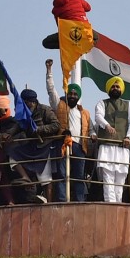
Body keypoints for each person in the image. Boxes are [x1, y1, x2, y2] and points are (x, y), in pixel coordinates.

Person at [45, 59, 92, 202]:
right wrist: (49, 71)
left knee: (79, 176)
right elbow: (51, 89)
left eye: (74, 94)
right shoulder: (59, 104)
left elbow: (91, 129)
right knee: (61, 175)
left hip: (79, 146)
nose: (72, 96)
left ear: (78, 97)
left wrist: (94, 135)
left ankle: (79, 201)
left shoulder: (84, 112)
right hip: (62, 143)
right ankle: (62, 200)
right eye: (70, 94)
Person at [7, 88, 63, 203]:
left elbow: (56, 125)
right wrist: (8, 134)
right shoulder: (23, 113)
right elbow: (18, 126)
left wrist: (40, 129)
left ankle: (49, 202)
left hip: (44, 147)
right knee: (12, 156)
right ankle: (25, 178)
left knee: (45, 178)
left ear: (31, 102)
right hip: (30, 146)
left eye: (25, 102)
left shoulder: (44, 110)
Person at [93, 76, 130, 203]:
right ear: (109, 89)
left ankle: (118, 203)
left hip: (122, 146)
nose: (115, 88)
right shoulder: (102, 103)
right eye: (113, 86)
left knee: (121, 178)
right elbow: (98, 116)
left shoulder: (128, 105)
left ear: (121, 89)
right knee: (108, 176)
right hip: (106, 145)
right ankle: (110, 203)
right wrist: (106, 125)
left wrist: (129, 137)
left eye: (117, 86)